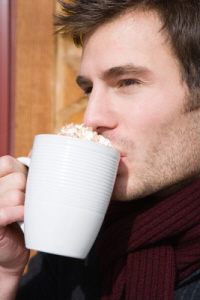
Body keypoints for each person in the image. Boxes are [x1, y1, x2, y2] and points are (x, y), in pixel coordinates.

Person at [0, 0, 200, 299]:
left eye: (127, 82)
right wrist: (5, 274)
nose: (91, 118)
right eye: (89, 89)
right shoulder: (80, 244)